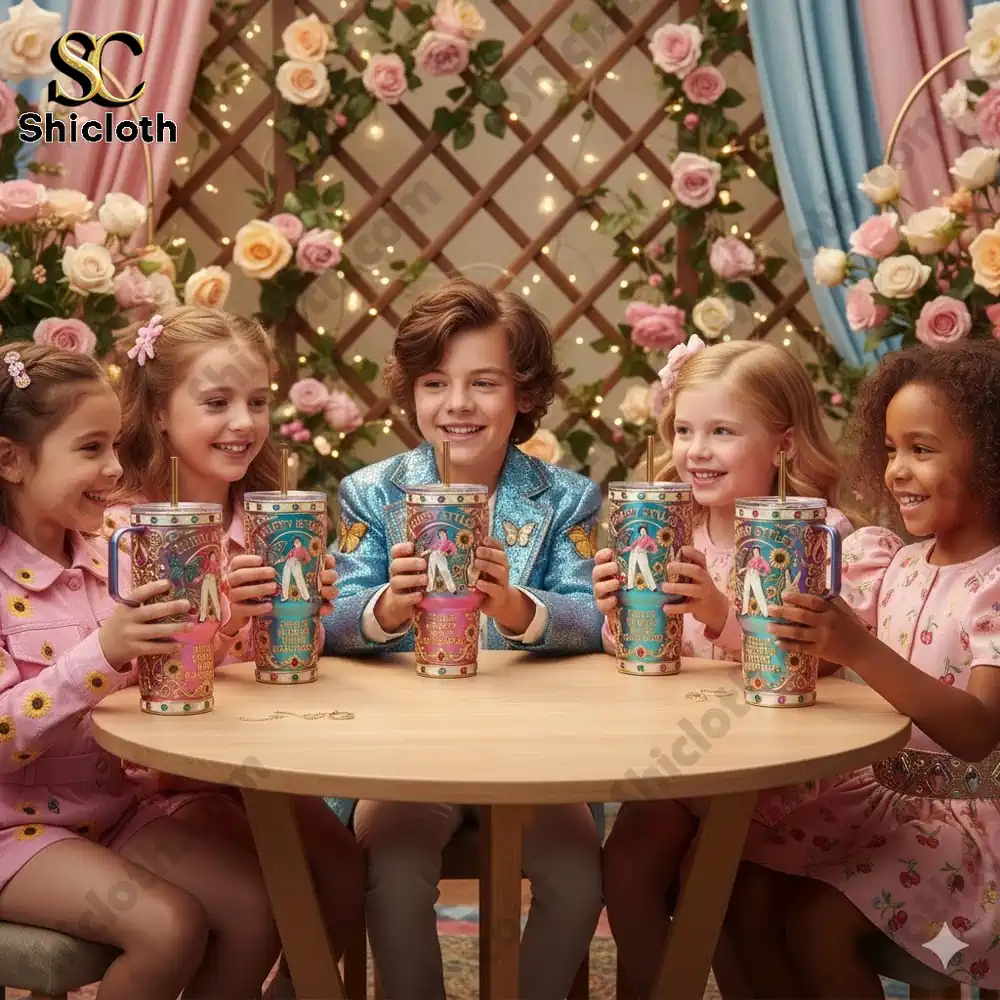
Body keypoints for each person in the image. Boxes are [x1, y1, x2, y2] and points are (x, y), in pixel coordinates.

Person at [323, 277, 604, 1000]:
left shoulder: (568, 498)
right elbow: (328, 621)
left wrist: (516, 608)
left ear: (525, 394)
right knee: (390, 860)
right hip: (408, 754)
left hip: (541, 754)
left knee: (577, 873)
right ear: (412, 393)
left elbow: (599, 621)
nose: (458, 405)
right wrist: (387, 607)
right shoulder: (370, 493)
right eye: (435, 383)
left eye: (485, 383)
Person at [0, 342, 280, 999]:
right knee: (169, 927)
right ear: (10, 458)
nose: (113, 469)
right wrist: (102, 652)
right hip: (13, 828)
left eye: (115, 448)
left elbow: (165, 680)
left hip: (112, 813)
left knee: (252, 908)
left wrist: (232, 618)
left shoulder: (111, 560)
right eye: (90, 449)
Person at [724, 340, 1000, 997]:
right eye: (891, 448)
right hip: (884, 799)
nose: (897, 469)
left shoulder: (994, 582)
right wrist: (789, 632)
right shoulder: (900, 564)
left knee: (817, 925)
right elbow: (833, 664)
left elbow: (978, 731)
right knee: (743, 887)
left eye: (922, 449)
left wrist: (857, 650)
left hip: (970, 824)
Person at [104, 307, 364, 996]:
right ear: (159, 412)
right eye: (217, 402)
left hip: (248, 773)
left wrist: (305, 616)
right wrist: (224, 621)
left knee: (344, 872)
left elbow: (278, 672)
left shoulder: (267, 519)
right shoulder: (126, 530)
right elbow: (131, 678)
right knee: (256, 902)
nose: (244, 423)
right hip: (150, 783)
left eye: (258, 401)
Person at [594, 335, 855, 998]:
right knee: (625, 863)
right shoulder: (668, 528)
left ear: (785, 444)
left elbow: (824, 661)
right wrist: (619, 616)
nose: (696, 451)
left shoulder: (820, 534)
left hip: (778, 774)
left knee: (721, 885)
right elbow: (645, 660)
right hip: (683, 761)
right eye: (683, 430)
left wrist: (720, 613)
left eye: (721, 431)